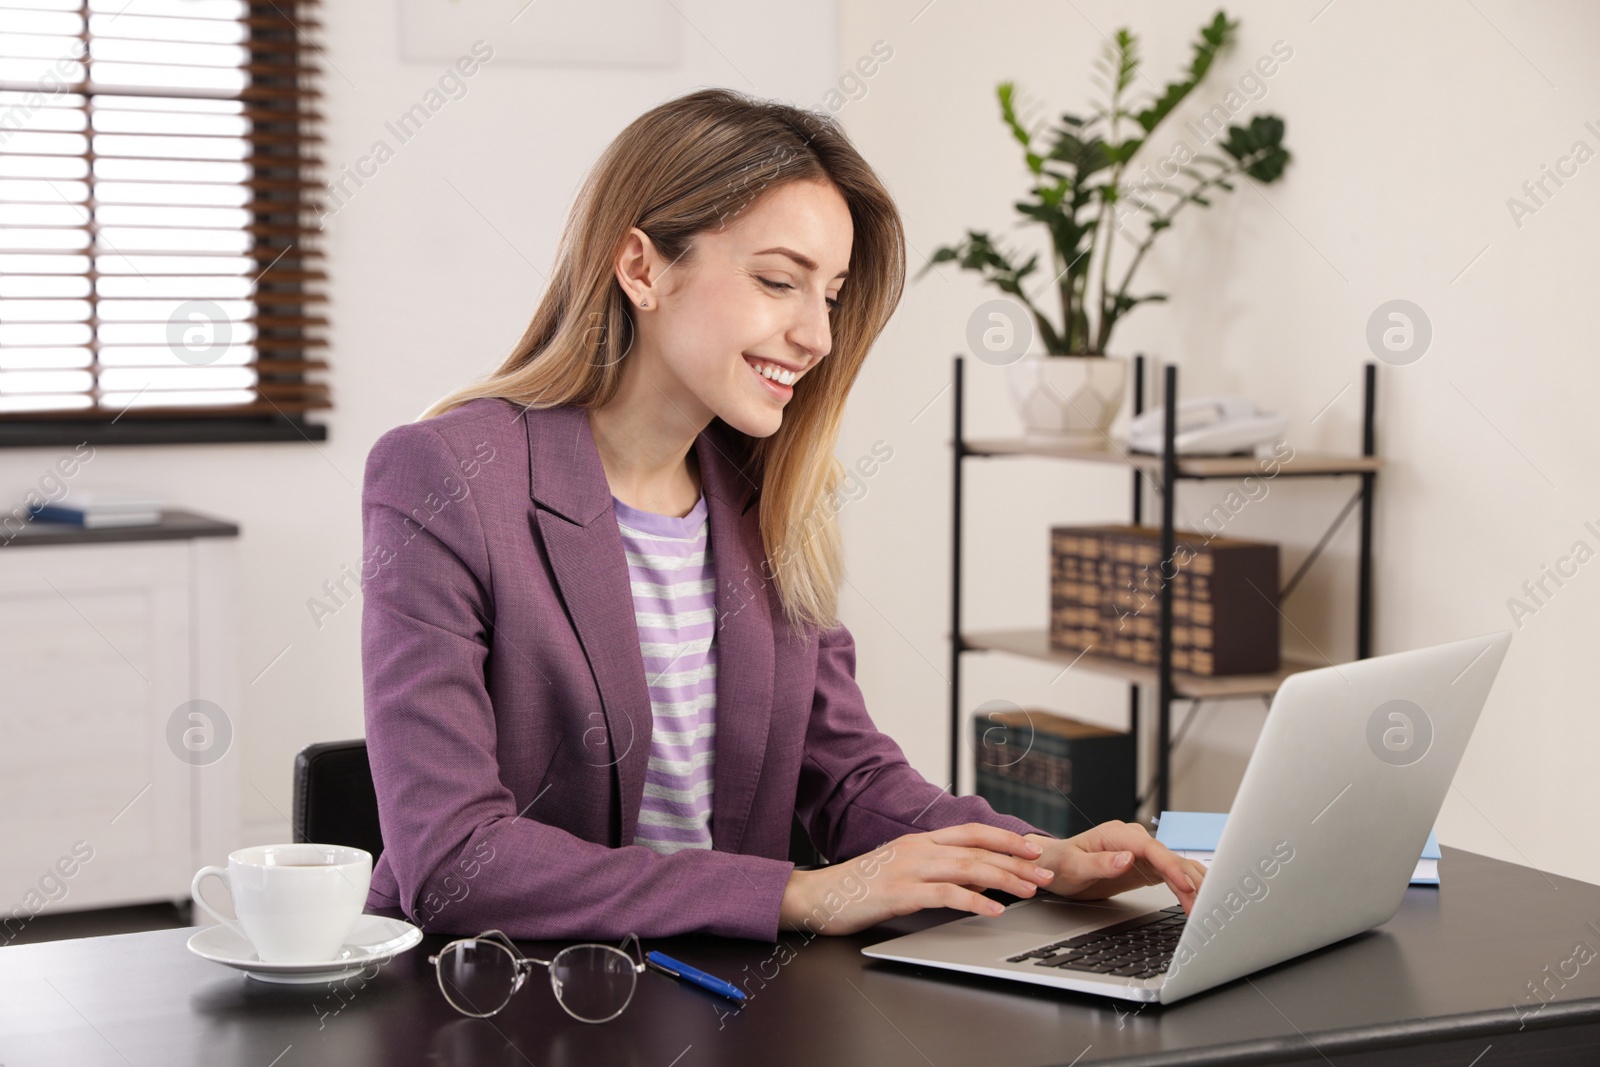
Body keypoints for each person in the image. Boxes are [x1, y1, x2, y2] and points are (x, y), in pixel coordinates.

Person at [360, 87, 1205, 942]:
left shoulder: (766, 491)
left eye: (831, 295)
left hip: (714, 1002)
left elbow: (848, 776)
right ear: (642, 267)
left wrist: (1044, 859)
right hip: (495, 1006)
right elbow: (453, 857)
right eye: (778, 281)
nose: (817, 336)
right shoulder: (446, 476)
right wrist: (797, 893)